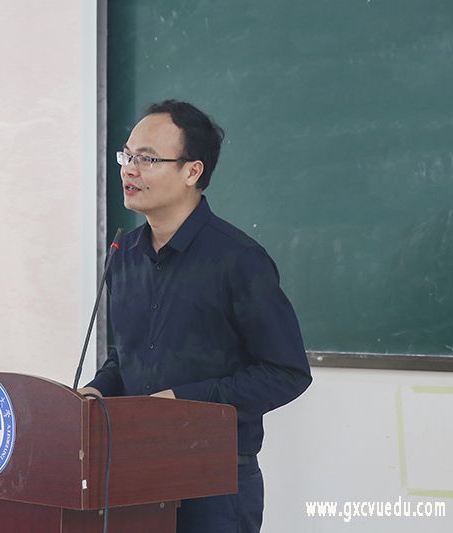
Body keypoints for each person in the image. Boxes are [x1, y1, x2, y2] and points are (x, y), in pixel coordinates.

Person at [78, 100, 312, 533]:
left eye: (147, 159)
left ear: (192, 171)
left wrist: (185, 399)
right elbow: (126, 358)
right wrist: (96, 391)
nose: (130, 170)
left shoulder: (238, 259)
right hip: (133, 475)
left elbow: (287, 372)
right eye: (127, 156)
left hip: (215, 484)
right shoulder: (124, 255)